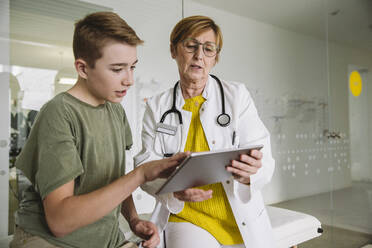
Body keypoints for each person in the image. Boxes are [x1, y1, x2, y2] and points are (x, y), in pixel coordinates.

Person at [11, 12, 187, 248]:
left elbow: (114, 180)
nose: (129, 80)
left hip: (105, 237)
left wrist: (134, 220)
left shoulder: (115, 110)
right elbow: (60, 222)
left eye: (132, 67)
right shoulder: (59, 113)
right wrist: (141, 174)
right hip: (50, 239)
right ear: (83, 69)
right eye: (117, 69)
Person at [134, 16, 275, 248]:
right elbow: (145, 166)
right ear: (173, 50)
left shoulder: (237, 96)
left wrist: (249, 174)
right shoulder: (157, 106)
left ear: (215, 58)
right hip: (187, 215)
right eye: (191, 46)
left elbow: (266, 161)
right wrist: (174, 189)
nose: (199, 55)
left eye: (208, 49)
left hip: (240, 216)